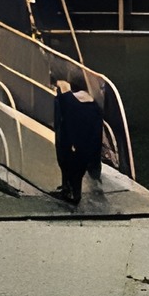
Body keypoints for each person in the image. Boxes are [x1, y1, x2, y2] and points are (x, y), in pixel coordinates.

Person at [50, 72, 104, 206]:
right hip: (86, 143)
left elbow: (63, 116)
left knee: (69, 164)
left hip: (72, 143)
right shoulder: (93, 106)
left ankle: (72, 193)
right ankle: (70, 189)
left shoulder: (67, 101)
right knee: (76, 168)